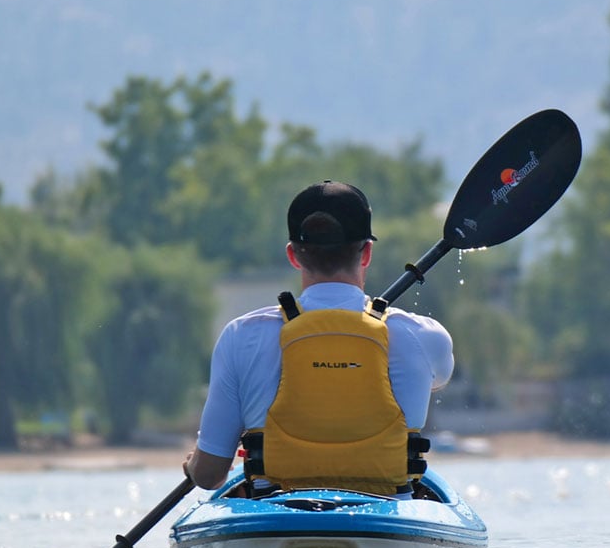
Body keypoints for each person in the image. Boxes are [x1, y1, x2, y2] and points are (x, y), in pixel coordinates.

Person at [183, 180, 454, 497]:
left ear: (293, 256)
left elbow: (209, 474)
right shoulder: (425, 336)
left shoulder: (241, 337)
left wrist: (193, 466)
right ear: (366, 253)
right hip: (386, 511)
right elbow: (440, 379)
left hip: (274, 513)